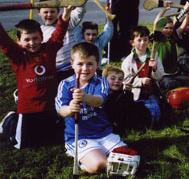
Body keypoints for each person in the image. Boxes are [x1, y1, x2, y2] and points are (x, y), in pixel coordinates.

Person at [0, 6, 72, 149]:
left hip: (50, 106)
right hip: (28, 109)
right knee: (20, 144)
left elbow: (59, 33)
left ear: (41, 37)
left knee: (54, 140)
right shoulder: (17, 55)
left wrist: (67, 13)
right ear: (18, 40)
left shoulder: (49, 49)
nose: (32, 43)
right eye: (27, 39)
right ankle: (10, 119)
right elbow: (3, 40)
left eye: (35, 38)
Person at [56, 42, 128, 174]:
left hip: (104, 133)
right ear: (72, 63)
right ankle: (81, 159)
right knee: (100, 164)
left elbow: (99, 101)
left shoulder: (101, 82)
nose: (85, 68)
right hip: (79, 136)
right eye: (80, 64)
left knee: (125, 158)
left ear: (97, 64)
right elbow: (61, 111)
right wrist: (70, 109)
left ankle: (98, 152)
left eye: (90, 64)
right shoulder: (65, 84)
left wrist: (85, 97)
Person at [37, 0, 86, 82]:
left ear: (58, 11)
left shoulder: (67, 21)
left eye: (52, 11)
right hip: (52, 71)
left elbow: (79, 12)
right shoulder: (39, 31)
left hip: (72, 68)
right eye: (45, 12)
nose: (49, 15)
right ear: (39, 12)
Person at [121, 26, 164, 127]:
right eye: (139, 40)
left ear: (149, 41)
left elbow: (159, 76)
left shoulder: (154, 56)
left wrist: (154, 69)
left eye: (145, 40)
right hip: (136, 94)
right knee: (136, 112)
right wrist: (141, 81)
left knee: (157, 111)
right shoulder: (128, 60)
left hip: (152, 92)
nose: (142, 43)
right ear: (132, 43)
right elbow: (126, 79)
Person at [103, 66, 151, 133]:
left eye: (120, 79)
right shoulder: (102, 94)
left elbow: (129, 106)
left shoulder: (121, 92)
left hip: (120, 119)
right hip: (108, 119)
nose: (117, 81)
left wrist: (128, 93)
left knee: (139, 106)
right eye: (113, 78)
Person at [154, 7, 189, 92]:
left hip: (175, 73)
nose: (169, 30)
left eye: (171, 28)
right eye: (166, 28)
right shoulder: (158, 38)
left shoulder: (173, 37)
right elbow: (156, 24)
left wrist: (188, 14)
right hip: (163, 75)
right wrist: (164, 10)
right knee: (171, 84)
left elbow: (182, 27)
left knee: (188, 81)